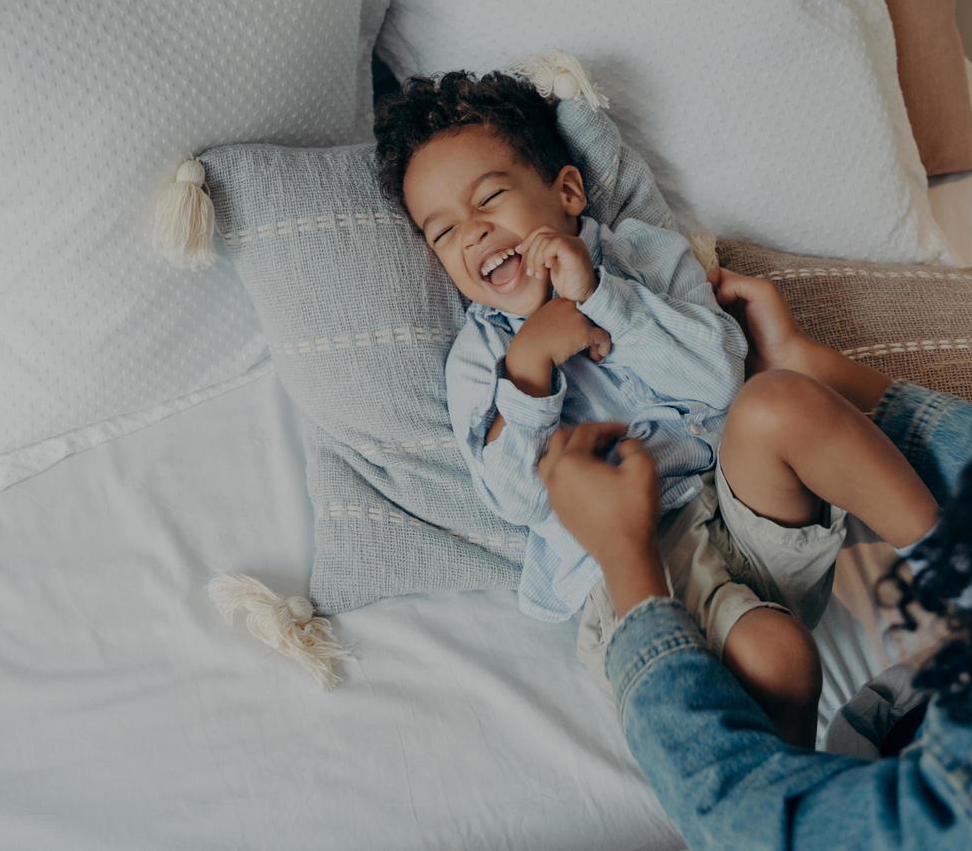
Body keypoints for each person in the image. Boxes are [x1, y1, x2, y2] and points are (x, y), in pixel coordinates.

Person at [535, 0, 972, 849]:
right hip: (929, 691)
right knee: (786, 408)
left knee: (778, 653)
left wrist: (630, 571)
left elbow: (769, 825)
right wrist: (830, 374)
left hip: (894, 768)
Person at [373, 71, 940, 746]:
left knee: (780, 399)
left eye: (490, 197)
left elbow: (718, 384)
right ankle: (795, 773)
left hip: (749, 510)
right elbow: (518, 500)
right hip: (641, 570)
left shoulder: (644, 257)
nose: (473, 233)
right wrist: (529, 368)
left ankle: (960, 574)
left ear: (567, 192)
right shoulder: (480, 361)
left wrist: (602, 298)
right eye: (442, 232)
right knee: (778, 655)